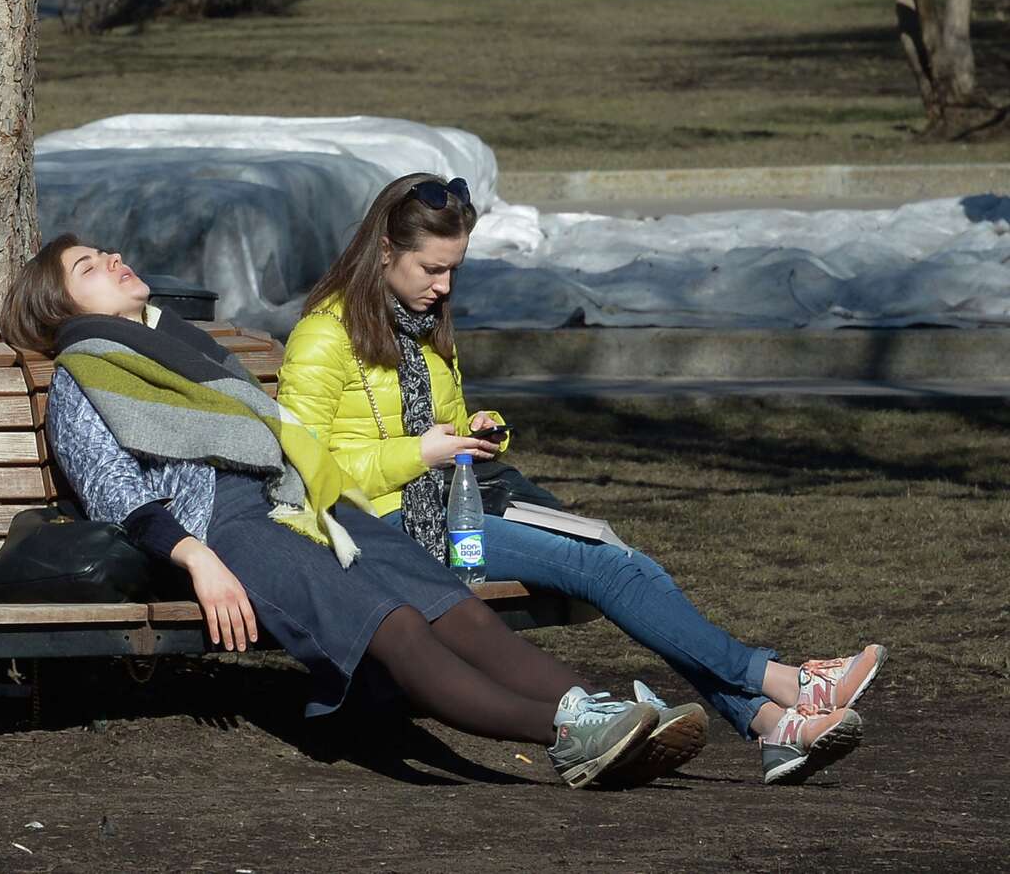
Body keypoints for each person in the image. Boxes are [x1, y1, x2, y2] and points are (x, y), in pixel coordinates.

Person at [4, 234, 686, 790]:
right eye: (89, 267)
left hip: (301, 496)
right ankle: (567, 735)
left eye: (105, 251)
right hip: (224, 527)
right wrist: (198, 558)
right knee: (392, 624)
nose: (114, 260)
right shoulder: (80, 378)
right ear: (60, 310)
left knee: (450, 604)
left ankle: (591, 708)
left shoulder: (179, 346)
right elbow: (115, 493)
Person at [277, 172, 885, 786]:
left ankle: (769, 721)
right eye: (432, 269)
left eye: (454, 270)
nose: (444, 286)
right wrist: (418, 454)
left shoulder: (421, 329)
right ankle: (780, 687)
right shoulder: (324, 336)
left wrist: (481, 431)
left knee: (621, 559)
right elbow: (302, 468)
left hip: (450, 502)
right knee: (609, 567)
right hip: (385, 527)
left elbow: (444, 425)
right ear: (384, 251)